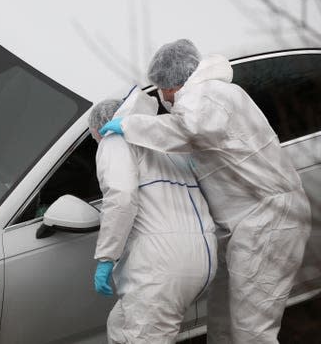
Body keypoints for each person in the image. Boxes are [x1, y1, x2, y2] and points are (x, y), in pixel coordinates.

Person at [100, 40, 311, 344]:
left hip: (269, 221)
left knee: (253, 331)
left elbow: (188, 131)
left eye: (161, 90)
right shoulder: (207, 96)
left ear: (171, 84)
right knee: (223, 320)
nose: (163, 98)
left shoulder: (206, 95)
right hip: (246, 224)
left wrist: (133, 126)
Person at [89, 89, 216, 344]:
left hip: (160, 267)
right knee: (121, 325)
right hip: (203, 258)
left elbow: (121, 198)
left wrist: (106, 257)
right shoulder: (163, 142)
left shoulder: (113, 140)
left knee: (143, 337)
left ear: (99, 130)